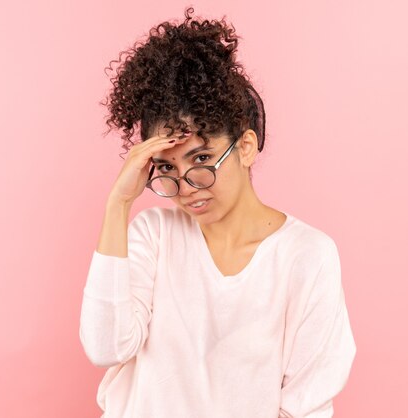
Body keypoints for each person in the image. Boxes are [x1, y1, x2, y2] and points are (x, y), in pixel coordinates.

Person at [78, 7, 357, 418]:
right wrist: (117, 205)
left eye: (202, 158)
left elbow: (306, 403)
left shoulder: (306, 255)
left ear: (245, 146)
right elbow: (105, 347)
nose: (186, 187)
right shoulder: (152, 234)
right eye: (168, 169)